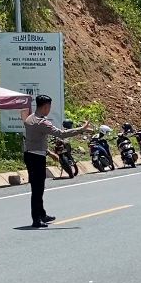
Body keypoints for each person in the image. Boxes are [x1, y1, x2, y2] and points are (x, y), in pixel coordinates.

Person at [23, 95, 91, 228]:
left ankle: (41, 214)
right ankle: (36, 219)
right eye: (49, 107)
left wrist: (48, 152)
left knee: (37, 188)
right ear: (45, 107)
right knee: (37, 189)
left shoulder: (29, 119)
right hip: (37, 158)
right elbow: (61, 133)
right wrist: (81, 129)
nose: (49, 109)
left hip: (29, 155)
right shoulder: (42, 122)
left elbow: (32, 139)